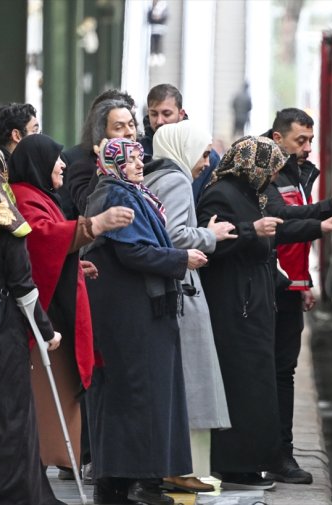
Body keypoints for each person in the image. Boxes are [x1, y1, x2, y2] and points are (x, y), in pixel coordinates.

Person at [195, 135, 332, 491]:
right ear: (253, 164)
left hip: (254, 301)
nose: (273, 176)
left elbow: (278, 225)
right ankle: (235, 466)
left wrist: (319, 225)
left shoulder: (252, 192)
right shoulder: (222, 193)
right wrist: (253, 231)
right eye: (271, 168)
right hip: (236, 304)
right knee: (243, 385)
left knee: (257, 384)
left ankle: (253, 461)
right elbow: (212, 244)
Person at [84, 137, 206, 505]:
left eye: (139, 158)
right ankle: (135, 484)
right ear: (114, 164)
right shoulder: (116, 194)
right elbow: (131, 251)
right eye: (131, 159)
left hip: (136, 310)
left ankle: (123, 483)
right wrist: (179, 259)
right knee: (138, 395)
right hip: (129, 313)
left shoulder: (128, 191)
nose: (139, 165)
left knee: (139, 395)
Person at [7, 134, 135, 484]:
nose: (62, 165)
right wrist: (94, 224)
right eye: (55, 159)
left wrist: (75, 266)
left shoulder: (37, 194)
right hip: (41, 324)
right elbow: (41, 238)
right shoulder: (23, 195)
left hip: (53, 317)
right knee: (45, 406)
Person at [262, 108, 332, 484]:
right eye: (301, 141)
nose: (308, 148)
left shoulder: (297, 171)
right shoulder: (264, 170)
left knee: (283, 372)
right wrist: (330, 208)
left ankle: (280, 454)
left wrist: (305, 279)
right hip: (268, 289)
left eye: (310, 140)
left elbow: (296, 235)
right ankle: (271, 455)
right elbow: (279, 218)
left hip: (291, 288)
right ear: (278, 140)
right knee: (272, 373)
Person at [0, 143, 65, 505]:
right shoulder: (5, 217)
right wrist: (46, 331)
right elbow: (23, 285)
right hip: (1, 333)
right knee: (8, 418)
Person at [144, 121, 235, 494]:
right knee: (191, 383)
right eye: (201, 153)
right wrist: (210, 235)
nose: (206, 162)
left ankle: (173, 467)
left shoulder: (153, 175)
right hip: (182, 289)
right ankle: (182, 469)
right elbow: (176, 234)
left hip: (163, 288)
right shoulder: (177, 180)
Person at [65, 98, 137, 216]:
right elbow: (87, 207)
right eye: (119, 127)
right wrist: (104, 165)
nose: (129, 132)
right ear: (102, 134)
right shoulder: (83, 167)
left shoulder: (143, 162)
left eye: (131, 125)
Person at [139, 84, 187, 162]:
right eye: (154, 114)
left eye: (166, 114)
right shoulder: (138, 151)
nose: (159, 121)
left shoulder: (202, 153)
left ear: (181, 114)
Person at [148, 0, 168, 66]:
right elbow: (150, 16)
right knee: (153, 42)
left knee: (158, 43)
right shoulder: (153, 7)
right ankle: (153, 55)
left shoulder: (164, 7)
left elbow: (165, 17)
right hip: (154, 29)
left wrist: (159, 18)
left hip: (159, 29)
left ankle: (158, 55)